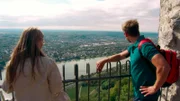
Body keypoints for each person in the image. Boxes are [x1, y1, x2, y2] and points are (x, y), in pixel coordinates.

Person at [96, 19, 170, 101]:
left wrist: (155, 88)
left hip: (147, 96)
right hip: (140, 94)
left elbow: (164, 66)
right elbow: (120, 56)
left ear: (126, 34)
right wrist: (105, 60)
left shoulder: (145, 46)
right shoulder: (134, 46)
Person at [1, 27, 70, 101]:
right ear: (38, 41)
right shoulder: (48, 63)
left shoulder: (14, 64)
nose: (43, 43)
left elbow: (6, 88)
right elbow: (56, 89)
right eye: (42, 39)